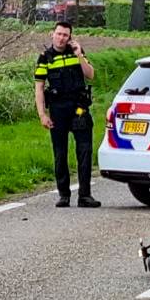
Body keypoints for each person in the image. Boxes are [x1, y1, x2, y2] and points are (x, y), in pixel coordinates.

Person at [34, 21, 101, 207]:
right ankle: (64, 195)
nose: (61, 38)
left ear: (70, 37)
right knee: (60, 152)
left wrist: (79, 55)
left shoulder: (76, 52)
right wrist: (42, 114)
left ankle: (85, 196)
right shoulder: (45, 58)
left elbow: (90, 74)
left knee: (84, 151)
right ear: (52, 34)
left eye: (65, 35)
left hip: (79, 109)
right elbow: (39, 88)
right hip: (58, 110)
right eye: (59, 34)